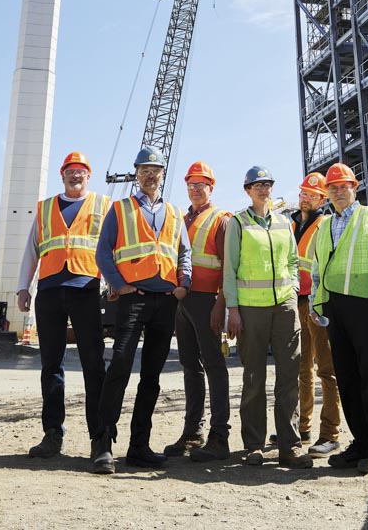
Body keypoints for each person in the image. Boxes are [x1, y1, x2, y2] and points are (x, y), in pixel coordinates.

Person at [90, 145, 192, 473]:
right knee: (119, 364)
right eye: (144, 169)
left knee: (152, 376)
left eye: (156, 169)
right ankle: (103, 443)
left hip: (165, 301)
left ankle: (139, 446)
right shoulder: (120, 210)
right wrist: (119, 285)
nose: (150, 174)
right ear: (136, 173)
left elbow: (184, 253)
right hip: (133, 299)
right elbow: (103, 252)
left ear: (163, 174)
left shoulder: (175, 213)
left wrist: (183, 285)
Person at [17, 151, 109, 460]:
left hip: (86, 289)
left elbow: (113, 246)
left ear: (88, 176)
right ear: (62, 175)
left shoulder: (103, 205)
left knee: (94, 365)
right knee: (51, 366)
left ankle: (101, 439)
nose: (75, 175)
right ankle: (52, 434)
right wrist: (22, 287)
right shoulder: (45, 209)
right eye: (70, 171)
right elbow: (32, 250)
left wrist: (114, 285)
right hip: (50, 291)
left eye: (80, 171)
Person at [311, 162, 368, 474]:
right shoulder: (324, 225)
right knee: (349, 380)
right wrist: (315, 302)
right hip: (336, 309)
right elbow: (317, 266)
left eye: (343, 186)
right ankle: (361, 443)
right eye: (332, 188)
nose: (338, 192)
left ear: (355, 187)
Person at [224, 165, 312, 469]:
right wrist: (232, 309)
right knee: (253, 378)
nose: (263, 189)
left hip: (284, 309)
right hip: (251, 310)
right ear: (247, 190)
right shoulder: (238, 223)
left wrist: (293, 290)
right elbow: (230, 270)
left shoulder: (283, 223)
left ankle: (290, 445)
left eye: (267, 184)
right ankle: (254, 445)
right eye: (257, 185)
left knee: (289, 377)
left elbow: (293, 259)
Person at [164, 160, 232, 462]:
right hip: (183, 301)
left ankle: (220, 437)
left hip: (208, 301)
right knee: (191, 367)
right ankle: (193, 433)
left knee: (215, 366)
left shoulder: (221, 219)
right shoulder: (180, 218)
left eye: (201, 184)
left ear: (211, 187)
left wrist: (222, 302)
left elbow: (230, 267)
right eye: (191, 184)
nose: (195, 189)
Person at [291, 171, 341, 456]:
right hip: (297, 302)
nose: (305, 197)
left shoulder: (326, 224)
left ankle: (330, 433)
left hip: (318, 303)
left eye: (311, 194)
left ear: (322, 198)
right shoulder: (295, 223)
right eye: (302, 193)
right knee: (301, 369)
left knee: (326, 369)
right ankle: (303, 427)